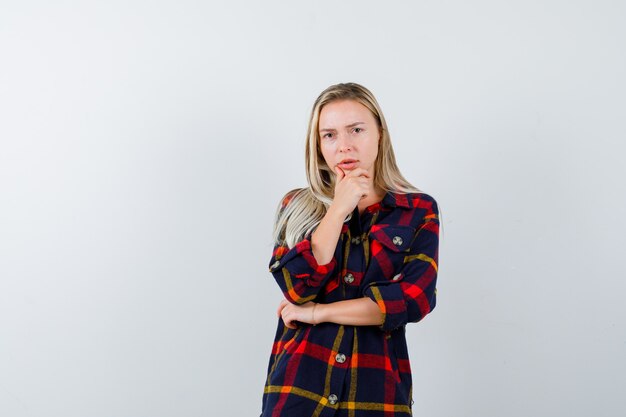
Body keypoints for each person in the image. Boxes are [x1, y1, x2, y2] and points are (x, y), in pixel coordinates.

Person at [260, 82, 440, 417]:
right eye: (329, 135)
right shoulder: (296, 205)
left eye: (356, 130)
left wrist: (319, 313)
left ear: (379, 134)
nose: (344, 146)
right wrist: (338, 210)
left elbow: (413, 300)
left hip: (377, 395)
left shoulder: (418, 210)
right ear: (318, 145)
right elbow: (297, 288)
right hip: (297, 393)